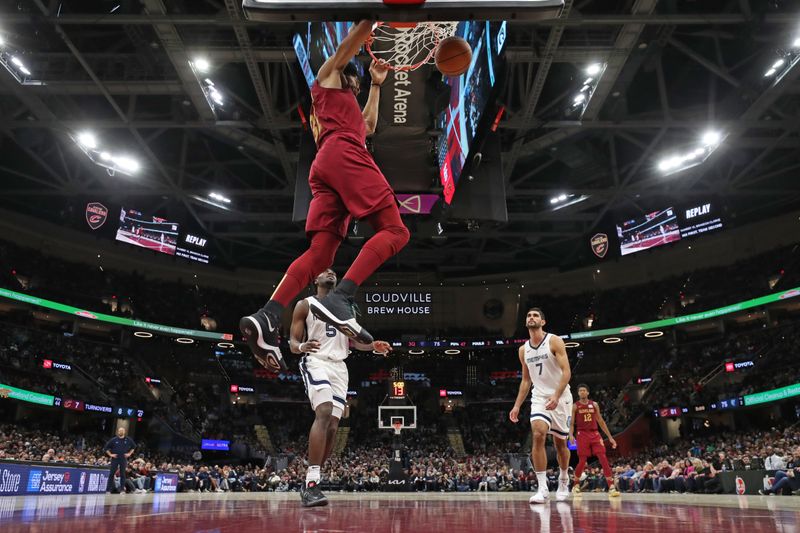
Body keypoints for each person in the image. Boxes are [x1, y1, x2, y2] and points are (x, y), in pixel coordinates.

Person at [240, 20, 410, 372]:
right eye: (359, 81)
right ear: (347, 73)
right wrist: (372, 17)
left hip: (326, 165)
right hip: (342, 155)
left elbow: (369, 127)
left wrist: (377, 86)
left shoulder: (342, 106)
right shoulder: (328, 77)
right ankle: (342, 297)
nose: (359, 86)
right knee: (396, 231)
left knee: (320, 254)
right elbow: (349, 43)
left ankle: (267, 316)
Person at [290, 268, 392, 507]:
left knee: (334, 427)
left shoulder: (348, 306)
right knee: (323, 411)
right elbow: (293, 343)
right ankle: (313, 482)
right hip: (315, 360)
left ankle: (310, 482)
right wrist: (302, 346)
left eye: (333, 271)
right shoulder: (304, 304)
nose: (330, 272)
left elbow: (355, 342)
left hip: (340, 367)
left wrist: (373, 345)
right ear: (315, 279)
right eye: (324, 271)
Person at [509, 307, 572, 504]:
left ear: (543, 322)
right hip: (539, 397)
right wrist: (517, 405)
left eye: (535, 315)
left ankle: (563, 479)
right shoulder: (523, 350)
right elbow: (526, 381)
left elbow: (567, 372)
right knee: (537, 434)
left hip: (561, 396)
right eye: (528, 315)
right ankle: (542, 487)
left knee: (560, 443)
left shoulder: (554, 341)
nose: (531, 317)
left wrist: (556, 394)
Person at [568, 383, 620, 497]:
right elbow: (572, 423)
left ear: (587, 392)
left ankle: (611, 486)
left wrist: (610, 437)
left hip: (595, 433)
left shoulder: (594, 404)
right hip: (581, 434)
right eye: (580, 390)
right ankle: (576, 485)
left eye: (584, 390)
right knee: (582, 460)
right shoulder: (575, 406)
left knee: (603, 457)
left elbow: (601, 421)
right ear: (578, 393)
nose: (582, 392)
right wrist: (570, 434)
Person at [103, 427, 136, 494]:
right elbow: (106, 448)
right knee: (111, 474)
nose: (121, 432)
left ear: (124, 432)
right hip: (115, 459)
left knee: (123, 474)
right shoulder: (114, 440)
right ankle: (108, 490)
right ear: (118, 432)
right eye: (119, 431)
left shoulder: (128, 439)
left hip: (123, 459)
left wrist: (129, 453)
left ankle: (122, 490)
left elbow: (134, 447)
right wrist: (110, 455)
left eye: (122, 431)